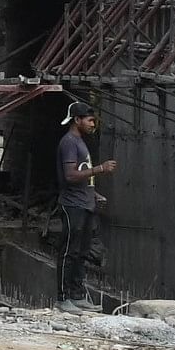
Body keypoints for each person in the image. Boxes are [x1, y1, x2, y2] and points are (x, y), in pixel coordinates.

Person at [55, 103, 114, 307]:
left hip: (85, 203)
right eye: (89, 120)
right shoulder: (69, 142)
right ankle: (62, 299)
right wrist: (100, 168)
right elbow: (70, 175)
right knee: (69, 251)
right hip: (73, 206)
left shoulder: (80, 142)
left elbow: (81, 176)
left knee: (82, 252)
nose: (92, 124)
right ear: (77, 120)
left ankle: (77, 296)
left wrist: (94, 193)